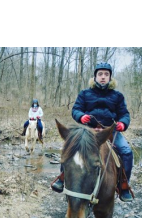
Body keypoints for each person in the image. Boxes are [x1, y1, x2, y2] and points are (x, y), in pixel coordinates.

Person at [52, 62, 133, 202]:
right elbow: (76, 109)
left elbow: (124, 114)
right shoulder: (85, 93)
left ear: (110, 77)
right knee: (70, 147)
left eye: (106, 74)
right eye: (100, 74)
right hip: (88, 130)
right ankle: (62, 178)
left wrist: (122, 123)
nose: (103, 77)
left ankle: (123, 185)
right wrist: (81, 116)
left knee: (126, 151)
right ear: (95, 77)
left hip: (110, 131)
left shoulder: (117, 96)